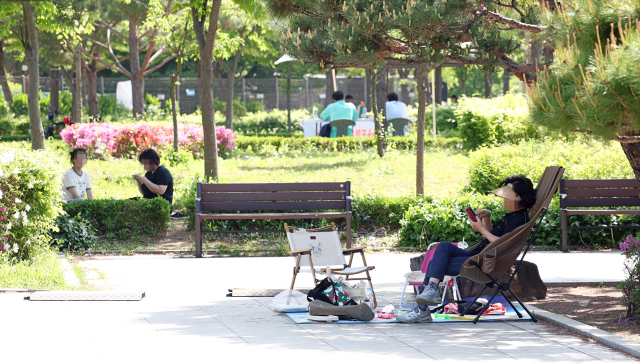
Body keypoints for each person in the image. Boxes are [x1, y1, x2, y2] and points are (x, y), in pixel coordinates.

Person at [397, 175, 537, 323]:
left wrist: (482, 230)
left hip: (483, 264)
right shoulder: (512, 216)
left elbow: (503, 245)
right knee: (444, 246)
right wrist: (487, 219)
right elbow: (495, 234)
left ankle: (422, 308)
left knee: (435, 265)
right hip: (476, 256)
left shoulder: (520, 219)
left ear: (519, 197)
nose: (503, 199)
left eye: (507, 196)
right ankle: (428, 295)